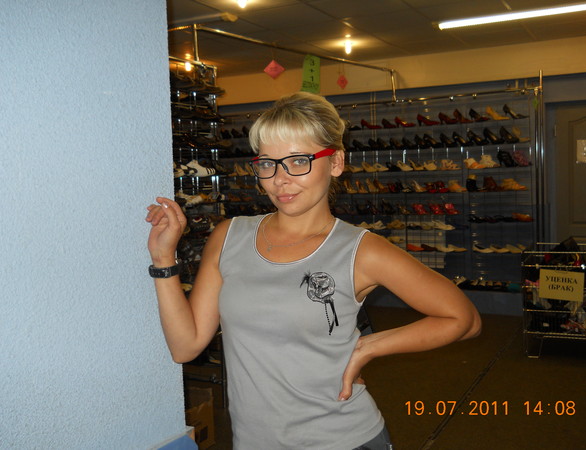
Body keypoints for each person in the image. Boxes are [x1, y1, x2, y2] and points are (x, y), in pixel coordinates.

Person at [145, 91, 481, 449]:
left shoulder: (361, 250)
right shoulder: (229, 237)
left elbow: (464, 319)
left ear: (335, 162)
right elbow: (185, 347)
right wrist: (163, 259)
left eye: (298, 161)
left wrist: (369, 347)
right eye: (268, 163)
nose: (280, 179)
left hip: (342, 439)